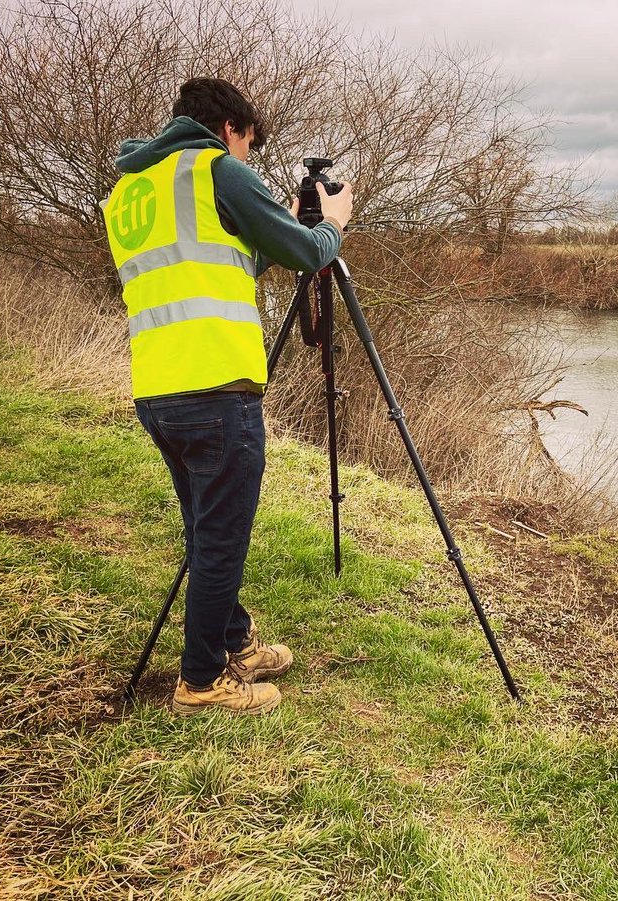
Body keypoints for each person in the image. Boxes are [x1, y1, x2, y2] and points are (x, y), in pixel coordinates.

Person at [101, 78, 354, 715]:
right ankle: (202, 678)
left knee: (205, 528)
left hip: (158, 388)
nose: (248, 160)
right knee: (222, 539)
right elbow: (305, 253)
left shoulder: (132, 189)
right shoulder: (216, 168)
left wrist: (275, 226)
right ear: (230, 129)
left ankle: (232, 639)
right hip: (218, 388)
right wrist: (334, 226)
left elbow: (213, 265)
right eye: (248, 146)